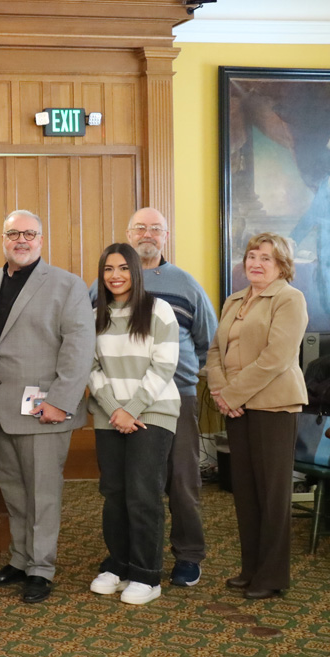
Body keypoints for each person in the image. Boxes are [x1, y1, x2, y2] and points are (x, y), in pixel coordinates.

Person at [89, 207, 217, 587]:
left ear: (165, 236)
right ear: (129, 234)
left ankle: (187, 555)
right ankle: (127, 557)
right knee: (125, 487)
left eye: (155, 229)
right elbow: (88, 345)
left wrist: (178, 376)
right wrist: (118, 405)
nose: (147, 234)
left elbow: (208, 340)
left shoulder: (185, 284)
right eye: (140, 228)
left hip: (174, 396)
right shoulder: (101, 289)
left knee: (181, 480)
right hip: (115, 403)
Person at [0, 210, 95, 604]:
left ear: (41, 240)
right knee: (13, 493)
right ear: (3, 239)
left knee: (43, 495)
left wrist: (61, 401)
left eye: (29, 233)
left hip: (45, 412)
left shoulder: (67, 284)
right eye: (13, 234)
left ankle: (41, 569)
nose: (21, 240)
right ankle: (20, 559)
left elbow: (79, 349)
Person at [206, 232, 308, 600]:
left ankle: (272, 575)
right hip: (237, 407)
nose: (256, 263)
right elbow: (215, 351)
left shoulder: (289, 298)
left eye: (266, 258)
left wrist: (231, 395)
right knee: (245, 492)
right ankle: (250, 568)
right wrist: (220, 391)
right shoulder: (234, 300)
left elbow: (276, 358)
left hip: (273, 407)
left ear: (282, 265)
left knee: (272, 494)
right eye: (252, 256)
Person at [87, 243, 180, 606]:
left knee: (143, 495)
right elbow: (90, 367)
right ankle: (119, 565)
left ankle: (146, 575)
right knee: (114, 494)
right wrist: (115, 409)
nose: (116, 275)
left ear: (136, 272)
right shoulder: (95, 315)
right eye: (108, 269)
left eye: (123, 268)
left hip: (153, 413)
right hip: (109, 416)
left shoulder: (159, 310)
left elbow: (164, 365)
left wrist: (133, 409)